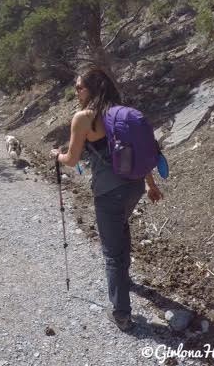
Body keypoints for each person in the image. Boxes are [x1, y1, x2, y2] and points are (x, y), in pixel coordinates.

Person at [50, 68, 163, 332]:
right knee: (121, 227)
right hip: (134, 186)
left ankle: (122, 314)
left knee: (112, 252)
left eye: (79, 88)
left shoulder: (83, 118)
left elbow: (72, 160)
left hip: (109, 192)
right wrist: (151, 185)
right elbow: (139, 153)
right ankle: (125, 280)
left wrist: (56, 155)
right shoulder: (122, 114)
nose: (76, 92)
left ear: (93, 89)